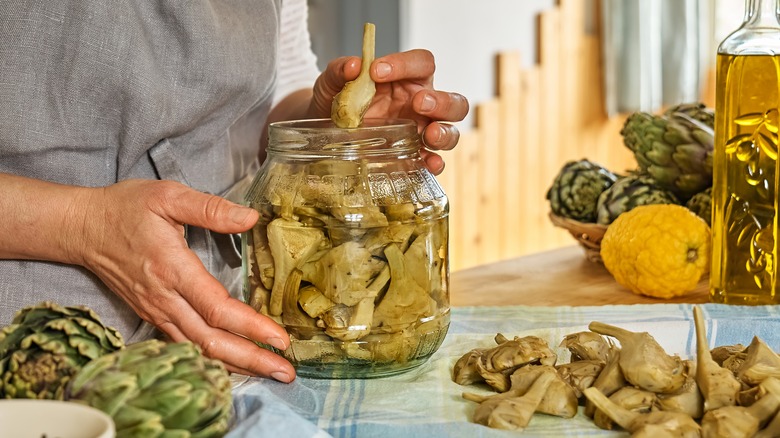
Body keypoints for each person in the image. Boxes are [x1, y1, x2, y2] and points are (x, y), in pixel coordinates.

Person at [0, 0, 468, 383]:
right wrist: (81, 224)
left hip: (238, 339)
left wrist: (323, 133)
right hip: (29, 350)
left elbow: (263, 98)